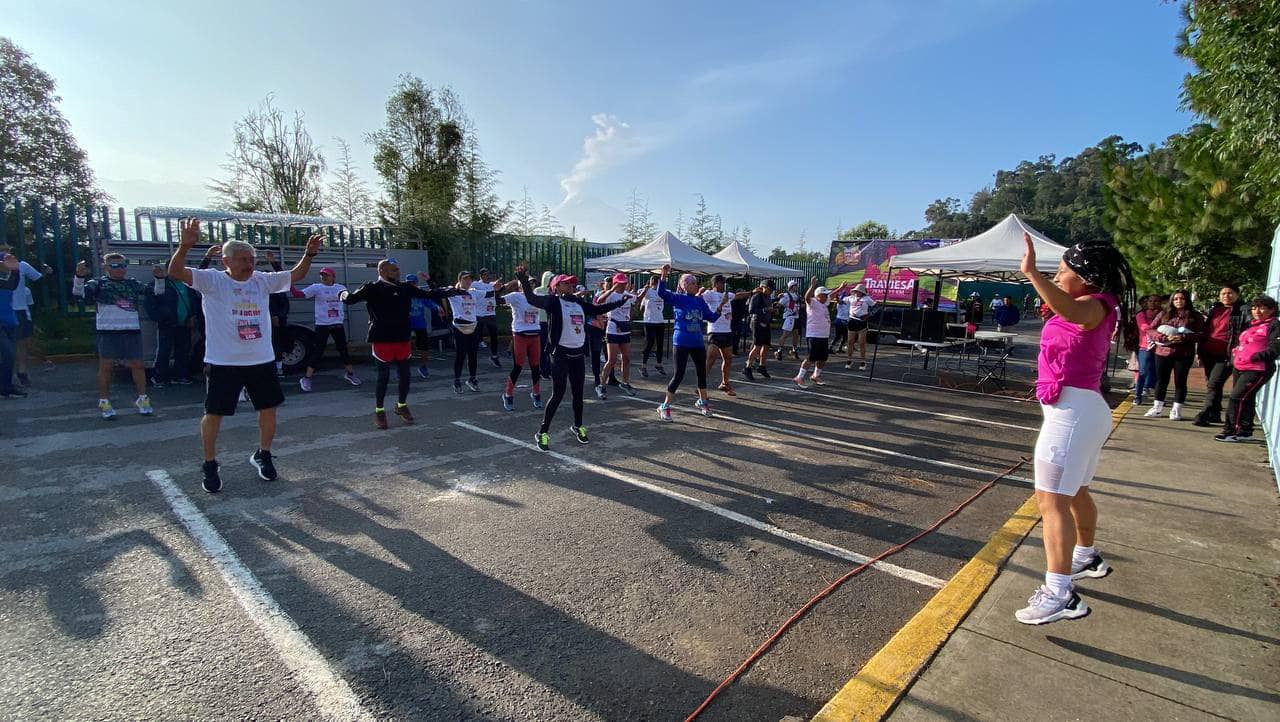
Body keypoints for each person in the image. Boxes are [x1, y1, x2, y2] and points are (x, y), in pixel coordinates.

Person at [1016, 232, 1137, 625]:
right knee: (1075, 491)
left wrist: (1033, 273)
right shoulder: (1095, 304)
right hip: (1080, 410)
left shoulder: (1094, 305)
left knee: (1050, 502)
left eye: (1062, 271)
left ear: (1084, 278)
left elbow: (1070, 311)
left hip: (1073, 412)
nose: (1056, 275)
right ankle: (1085, 555)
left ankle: (1060, 593)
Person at [167, 219, 322, 493]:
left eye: (251, 259)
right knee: (214, 414)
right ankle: (210, 464)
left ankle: (263, 454)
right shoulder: (212, 280)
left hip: (260, 360)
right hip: (223, 362)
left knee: (268, 409)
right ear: (226, 261)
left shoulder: (261, 281)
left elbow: (295, 275)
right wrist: (185, 245)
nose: (249, 264)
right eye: (242, 259)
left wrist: (308, 255)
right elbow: (176, 271)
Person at [513, 265, 626, 451]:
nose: (571, 286)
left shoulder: (579, 303)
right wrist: (524, 280)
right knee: (557, 395)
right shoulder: (553, 302)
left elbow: (598, 308)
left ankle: (578, 426)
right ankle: (542, 431)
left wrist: (619, 302)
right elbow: (531, 298)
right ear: (556, 286)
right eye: (566, 283)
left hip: (578, 356)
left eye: (572, 283)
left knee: (578, 395)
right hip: (561, 356)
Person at [340, 258, 463, 429]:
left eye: (398, 270)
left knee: (405, 376)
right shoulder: (372, 288)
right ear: (382, 271)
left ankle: (401, 405)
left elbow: (430, 294)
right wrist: (342, 293)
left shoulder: (405, 287)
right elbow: (350, 299)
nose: (398, 273)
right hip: (382, 339)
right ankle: (379, 411)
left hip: (402, 338)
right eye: (394, 270)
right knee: (384, 377)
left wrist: (451, 289)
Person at [72, 252, 160, 419]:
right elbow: (78, 294)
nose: (120, 269)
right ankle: (104, 401)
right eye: (114, 266)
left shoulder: (132, 283)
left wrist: (159, 278)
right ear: (106, 267)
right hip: (108, 331)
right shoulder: (97, 283)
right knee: (106, 367)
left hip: (131, 329)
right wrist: (79, 276)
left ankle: (143, 399)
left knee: (138, 365)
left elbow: (156, 292)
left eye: (123, 265)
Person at [655, 264, 728, 420]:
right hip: (681, 341)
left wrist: (721, 305)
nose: (696, 285)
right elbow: (661, 292)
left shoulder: (700, 301)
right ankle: (664, 406)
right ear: (684, 285)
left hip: (697, 342)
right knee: (679, 375)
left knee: (702, 373)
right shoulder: (678, 298)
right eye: (692, 283)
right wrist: (664, 274)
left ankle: (703, 401)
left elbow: (712, 317)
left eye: (696, 283)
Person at [1217, 295, 1280, 442]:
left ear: (1271, 310)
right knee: (1246, 399)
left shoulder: (1274, 325)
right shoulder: (1254, 324)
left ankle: (1232, 430)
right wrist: (1237, 352)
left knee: (1236, 398)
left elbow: (1275, 348)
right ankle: (1245, 430)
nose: (1257, 311)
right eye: (1254, 307)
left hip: (1257, 368)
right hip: (1240, 366)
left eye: (1262, 307)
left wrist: (1254, 357)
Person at [1143, 289, 1204, 421]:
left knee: (1180, 382)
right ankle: (1157, 408)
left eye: (1182, 298)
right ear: (1172, 300)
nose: (1179, 301)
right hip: (1162, 352)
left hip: (1184, 354)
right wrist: (1163, 338)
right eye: (1176, 299)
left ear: (1187, 300)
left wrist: (1183, 338)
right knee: (1161, 381)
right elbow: (1150, 329)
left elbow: (1201, 334)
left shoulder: (1195, 316)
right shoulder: (1164, 313)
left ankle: (1176, 410)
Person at [1193, 285, 1249, 427]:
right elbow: (1206, 331)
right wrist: (1200, 351)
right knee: (1212, 384)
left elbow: (1248, 330)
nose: (1226, 296)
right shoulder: (1215, 310)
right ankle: (1215, 414)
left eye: (1230, 293)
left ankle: (1204, 413)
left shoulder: (1243, 310)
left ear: (1237, 294)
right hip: (1209, 352)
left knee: (1214, 383)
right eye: (1223, 293)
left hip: (1227, 354)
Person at [299, 267, 360, 391]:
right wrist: (288, 284)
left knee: (343, 349)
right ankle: (306, 378)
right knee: (318, 351)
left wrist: (353, 296)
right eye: (322, 275)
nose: (324, 277)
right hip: (322, 324)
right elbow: (299, 294)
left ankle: (350, 374)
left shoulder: (340, 287)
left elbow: (347, 298)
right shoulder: (316, 287)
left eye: (326, 275)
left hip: (337, 323)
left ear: (333, 277)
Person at [1, 247, 52, 386]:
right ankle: (9, 377)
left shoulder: (22, 266)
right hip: (9, 309)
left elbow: (40, 280)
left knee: (22, 343)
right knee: (12, 345)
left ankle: (21, 372)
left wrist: (47, 274)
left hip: (19, 309)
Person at [143, 261, 196, 386]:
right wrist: (160, 318)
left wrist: (193, 316)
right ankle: (159, 377)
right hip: (167, 324)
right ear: (168, 269)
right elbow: (150, 303)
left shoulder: (188, 285)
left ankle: (180, 376)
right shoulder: (161, 283)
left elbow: (195, 301)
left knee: (183, 351)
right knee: (164, 351)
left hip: (185, 324)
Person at [702, 275, 752, 396]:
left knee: (728, 359)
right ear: (716, 283)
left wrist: (751, 292)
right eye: (722, 283)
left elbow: (738, 295)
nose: (724, 285)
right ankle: (701, 384)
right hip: (714, 331)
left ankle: (725, 383)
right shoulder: (709, 294)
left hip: (726, 331)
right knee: (711, 358)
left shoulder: (727, 294)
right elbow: (699, 299)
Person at [500, 274, 545, 411]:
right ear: (520, 285)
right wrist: (501, 288)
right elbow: (498, 300)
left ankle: (536, 394)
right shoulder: (515, 296)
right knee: (518, 366)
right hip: (520, 335)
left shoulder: (536, 297)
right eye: (527, 283)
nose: (530, 285)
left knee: (536, 367)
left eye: (532, 283)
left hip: (535, 335)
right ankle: (508, 394)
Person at [447, 270, 496, 393]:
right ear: (460, 280)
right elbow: (435, 292)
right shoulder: (453, 292)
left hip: (473, 327)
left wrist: (502, 287)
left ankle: (472, 379)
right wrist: (428, 280)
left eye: (470, 279)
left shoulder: (473, 292)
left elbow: (490, 293)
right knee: (460, 355)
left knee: (473, 355)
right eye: (465, 279)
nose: (468, 281)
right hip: (459, 328)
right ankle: (457, 381)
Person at [597, 273, 639, 397]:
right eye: (621, 283)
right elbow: (599, 301)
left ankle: (625, 382)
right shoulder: (611, 295)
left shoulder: (627, 295)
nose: (623, 285)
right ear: (616, 284)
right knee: (612, 360)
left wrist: (641, 293)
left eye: (625, 283)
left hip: (624, 329)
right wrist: (611, 290)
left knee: (626, 358)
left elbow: (637, 300)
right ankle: (602, 385)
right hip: (613, 330)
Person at [794, 278, 836, 388]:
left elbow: (832, 295)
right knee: (811, 357)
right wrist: (812, 286)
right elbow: (806, 297)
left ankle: (815, 375)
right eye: (824, 294)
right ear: (818, 295)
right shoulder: (813, 302)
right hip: (814, 335)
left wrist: (841, 288)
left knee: (823, 357)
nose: (827, 296)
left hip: (824, 335)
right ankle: (799, 377)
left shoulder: (824, 303)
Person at [406, 272, 442, 379]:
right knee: (404, 346)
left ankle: (423, 366)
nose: (412, 285)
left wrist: (438, 308)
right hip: (406, 323)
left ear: (416, 284)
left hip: (420, 323)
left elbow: (430, 303)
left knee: (424, 346)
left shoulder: (421, 294)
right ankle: (403, 369)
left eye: (414, 283)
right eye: (410, 283)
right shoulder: (403, 293)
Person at [0, 253, 25, 398]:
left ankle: (6, 386)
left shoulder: (5, 279)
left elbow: (12, 285)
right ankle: (5, 386)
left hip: (10, 321)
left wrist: (15, 270)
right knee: (8, 354)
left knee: (8, 356)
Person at [743, 279, 775, 380]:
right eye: (769, 289)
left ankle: (762, 366)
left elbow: (768, 308)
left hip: (766, 322)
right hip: (757, 322)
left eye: (771, 290)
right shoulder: (757, 296)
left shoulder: (768, 297)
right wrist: (766, 310)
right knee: (757, 346)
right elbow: (751, 310)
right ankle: (747, 367)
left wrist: (773, 310)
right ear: (763, 287)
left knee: (766, 346)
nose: (770, 292)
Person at [1132, 295, 1162, 405]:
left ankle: (1158, 399)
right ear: (1147, 302)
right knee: (1143, 371)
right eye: (1151, 301)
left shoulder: (1165, 314)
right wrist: (1159, 331)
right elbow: (1143, 327)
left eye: (1156, 301)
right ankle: (1137, 395)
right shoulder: (1141, 314)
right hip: (1145, 347)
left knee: (1158, 373)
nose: (1153, 303)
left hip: (1161, 347)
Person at [472, 268, 503, 368]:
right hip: (479, 314)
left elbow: (498, 286)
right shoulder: (476, 284)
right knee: (476, 337)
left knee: (494, 335)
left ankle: (494, 356)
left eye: (487, 274)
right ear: (480, 276)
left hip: (490, 313)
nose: (486, 276)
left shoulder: (491, 285)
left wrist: (499, 284)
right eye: (484, 274)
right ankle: (472, 358)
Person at [638, 275, 667, 378]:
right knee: (649, 343)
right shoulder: (647, 291)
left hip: (660, 320)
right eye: (652, 282)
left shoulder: (663, 291)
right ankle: (643, 366)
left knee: (660, 344)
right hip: (649, 321)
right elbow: (638, 298)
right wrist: (644, 290)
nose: (654, 284)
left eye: (656, 282)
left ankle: (659, 364)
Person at [842, 284, 876, 371]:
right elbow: (841, 300)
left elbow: (875, 306)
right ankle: (849, 360)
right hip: (852, 321)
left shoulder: (867, 299)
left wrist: (868, 315)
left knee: (861, 342)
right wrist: (840, 291)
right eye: (856, 291)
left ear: (862, 292)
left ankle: (863, 361)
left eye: (859, 291)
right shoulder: (851, 298)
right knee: (850, 342)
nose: (857, 293)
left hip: (862, 322)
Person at [774, 279, 802, 360]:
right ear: (791, 287)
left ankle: (794, 350)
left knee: (796, 335)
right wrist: (777, 302)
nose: (797, 287)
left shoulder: (797, 295)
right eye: (795, 286)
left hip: (796, 317)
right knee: (785, 335)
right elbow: (779, 304)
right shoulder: (786, 295)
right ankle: (779, 351)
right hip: (789, 317)